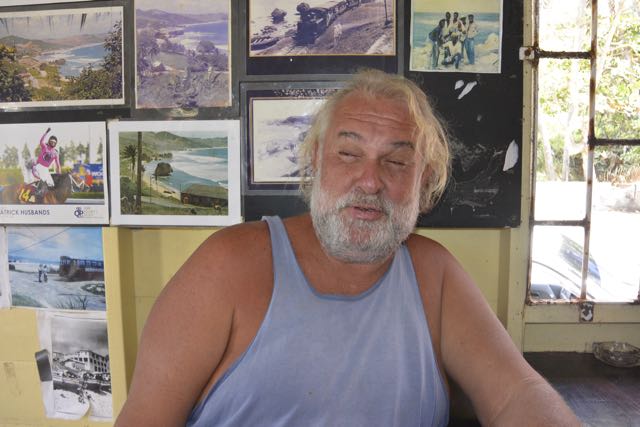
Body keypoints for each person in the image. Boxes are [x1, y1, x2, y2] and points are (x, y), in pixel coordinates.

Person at [115, 70, 580, 426]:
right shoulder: (227, 265)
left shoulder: (434, 274)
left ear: (424, 182)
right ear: (316, 160)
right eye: (348, 154)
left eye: (397, 161)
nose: (370, 181)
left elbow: (516, 393)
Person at [31, 127, 61, 199]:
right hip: (38, 167)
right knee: (43, 180)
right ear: (49, 141)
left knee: (51, 184)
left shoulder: (55, 153)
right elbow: (41, 141)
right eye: (52, 141)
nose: (53, 143)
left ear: (56, 143)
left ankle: (44, 196)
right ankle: (36, 193)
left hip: (45, 169)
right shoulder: (44, 146)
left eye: (54, 142)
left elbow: (58, 165)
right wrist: (46, 132)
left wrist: (59, 175)